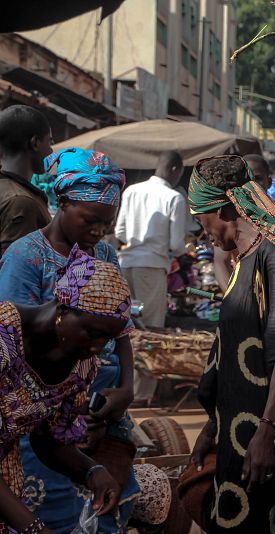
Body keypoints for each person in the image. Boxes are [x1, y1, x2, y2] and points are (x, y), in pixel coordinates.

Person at [0, 148, 140, 532]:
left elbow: (49, 441)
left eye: (106, 224)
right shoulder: (24, 265)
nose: (98, 232)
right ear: (62, 203)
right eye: (90, 220)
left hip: (57, 410)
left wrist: (125, 387)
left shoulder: (79, 365)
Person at [186, 156, 275, 533]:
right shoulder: (243, 262)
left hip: (268, 435)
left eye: (203, 220)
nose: (205, 234)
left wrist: (266, 433)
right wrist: (212, 429)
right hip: (238, 430)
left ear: (224, 208)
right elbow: (230, 350)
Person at [114, 150, 186, 403]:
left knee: (125, 327)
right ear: (175, 170)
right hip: (153, 267)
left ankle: (123, 385)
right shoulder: (174, 198)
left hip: (126, 263)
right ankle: (141, 394)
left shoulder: (131, 191)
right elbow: (177, 244)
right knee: (151, 330)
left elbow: (120, 232)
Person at [0, 105, 53, 255]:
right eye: (49, 142)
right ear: (35, 143)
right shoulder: (21, 201)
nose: (51, 151)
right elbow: (15, 271)